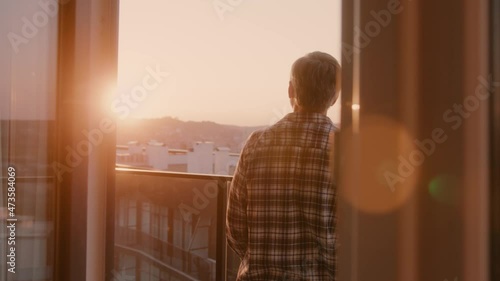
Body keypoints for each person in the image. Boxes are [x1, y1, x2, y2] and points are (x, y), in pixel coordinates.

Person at [226, 51, 341, 281]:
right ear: (335, 97)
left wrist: (260, 259)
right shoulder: (346, 151)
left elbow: (235, 227)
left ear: (291, 90)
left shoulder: (256, 143)